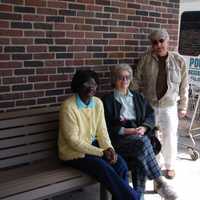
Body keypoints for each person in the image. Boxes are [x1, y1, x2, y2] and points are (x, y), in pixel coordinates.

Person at [58, 69, 140, 200]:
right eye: (86, 84)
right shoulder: (68, 107)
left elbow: (102, 131)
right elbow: (73, 141)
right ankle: (133, 198)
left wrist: (109, 149)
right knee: (103, 167)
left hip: (91, 148)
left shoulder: (97, 103)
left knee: (121, 164)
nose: (91, 88)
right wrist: (102, 152)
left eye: (94, 84)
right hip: (73, 154)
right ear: (78, 86)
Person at [102, 64, 178, 200]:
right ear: (114, 79)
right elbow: (104, 126)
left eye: (127, 77)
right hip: (119, 140)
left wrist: (144, 127)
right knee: (143, 144)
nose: (124, 80)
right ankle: (159, 181)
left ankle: (138, 196)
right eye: (120, 77)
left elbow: (150, 115)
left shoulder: (137, 97)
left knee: (140, 155)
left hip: (139, 135)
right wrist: (126, 131)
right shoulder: (107, 101)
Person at [131, 29, 189, 179]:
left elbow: (184, 86)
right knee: (152, 136)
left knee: (169, 135)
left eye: (161, 41)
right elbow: (136, 80)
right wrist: (132, 101)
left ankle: (170, 166)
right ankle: (155, 165)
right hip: (149, 105)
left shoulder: (178, 60)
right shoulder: (145, 59)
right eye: (155, 42)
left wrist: (183, 106)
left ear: (167, 41)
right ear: (152, 44)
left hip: (169, 105)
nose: (158, 45)